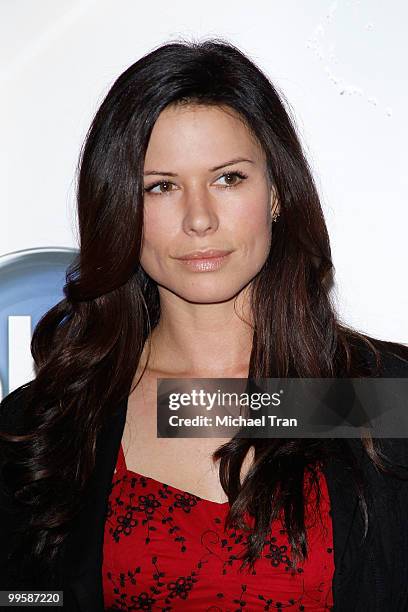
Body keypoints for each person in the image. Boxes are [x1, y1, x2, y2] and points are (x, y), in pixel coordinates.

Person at [1, 38, 408, 612]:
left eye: (228, 178)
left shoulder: (385, 398)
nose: (199, 219)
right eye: (161, 186)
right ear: (120, 207)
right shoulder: (48, 424)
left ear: (277, 193)